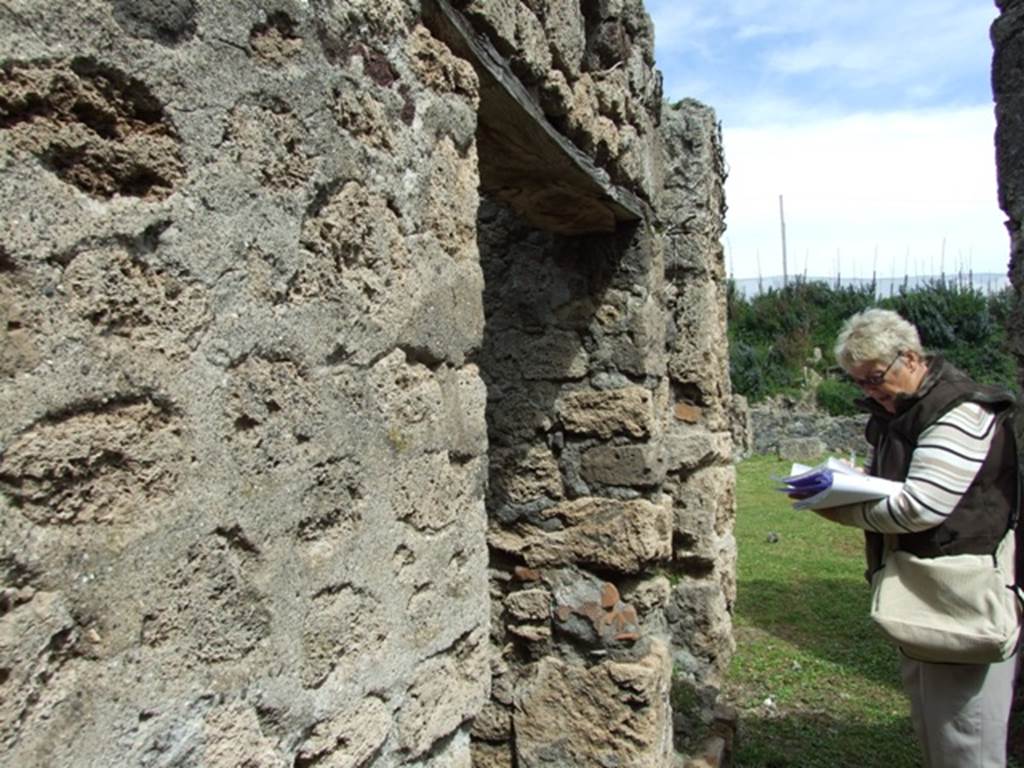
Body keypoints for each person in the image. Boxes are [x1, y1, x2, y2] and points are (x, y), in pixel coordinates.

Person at [816, 308, 1020, 768]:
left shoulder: (961, 412)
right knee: (939, 731)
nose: (870, 392)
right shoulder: (908, 409)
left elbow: (921, 506)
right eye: (860, 383)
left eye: (874, 379)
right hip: (928, 593)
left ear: (910, 358)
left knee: (969, 739)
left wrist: (838, 506)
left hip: (962, 597)